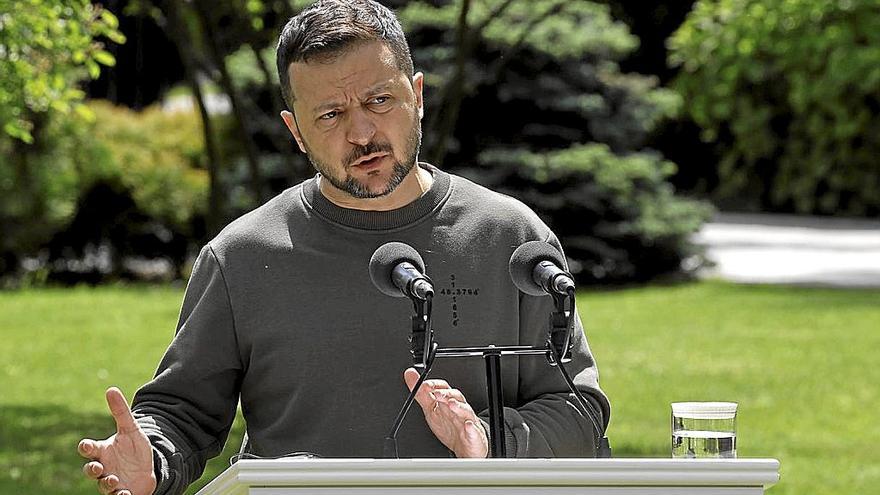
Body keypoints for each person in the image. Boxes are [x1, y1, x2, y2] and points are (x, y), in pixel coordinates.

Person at [77, 1, 611, 494]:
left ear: (417, 97)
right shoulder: (242, 255)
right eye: (330, 114)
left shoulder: (509, 237)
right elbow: (183, 411)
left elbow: (579, 411)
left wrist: (489, 439)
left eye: (380, 101)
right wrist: (154, 459)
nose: (361, 133)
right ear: (296, 131)